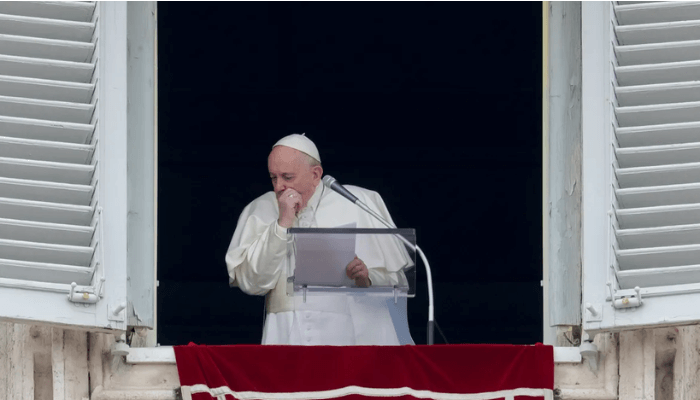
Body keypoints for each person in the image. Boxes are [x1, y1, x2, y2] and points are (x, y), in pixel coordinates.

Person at [225, 133, 413, 345]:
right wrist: (282, 224)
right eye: (273, 178)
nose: (278, 187)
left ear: (316, 174)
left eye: (287, 177)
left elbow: (397, 281)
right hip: (287, 334)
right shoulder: (259, 209)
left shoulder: (359, 202)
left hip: (351, 333)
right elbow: (252, 282)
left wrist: (366, 279)